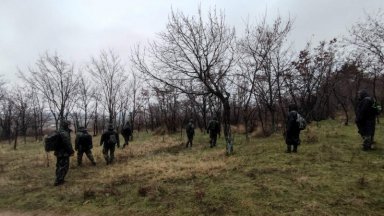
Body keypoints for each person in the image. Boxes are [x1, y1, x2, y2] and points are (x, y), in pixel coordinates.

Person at [54, 120, 74, 186]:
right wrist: (71, 151)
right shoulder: (64, 133)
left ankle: (59, 179)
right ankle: (58, 181)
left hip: (58, 152)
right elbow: (67, 143)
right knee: (64, 166)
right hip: (63, 153)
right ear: (66, 125)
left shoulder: (59, 131)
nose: (70, 126)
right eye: (69, 125)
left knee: (59, 166)